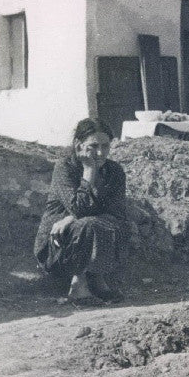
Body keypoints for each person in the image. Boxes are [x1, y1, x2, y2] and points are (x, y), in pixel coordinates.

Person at [34, 118, 128, 305]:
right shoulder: (65, 168)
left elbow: (117, 211)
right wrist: (88, 171)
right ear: (78, 145)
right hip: (57, 247)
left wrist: (70, 218)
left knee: (109, 223)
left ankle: (97, 278)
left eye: (105, 146)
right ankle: (78, 285)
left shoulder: (114, 171)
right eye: (93, 146)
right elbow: (78, 207)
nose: (100, 153)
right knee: (88, 223)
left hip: (81, 231)